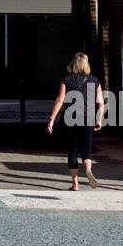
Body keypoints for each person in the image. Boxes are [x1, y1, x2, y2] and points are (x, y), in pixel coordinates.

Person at [47, 53, 104, 190]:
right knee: (86, 150)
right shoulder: (95, 81)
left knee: (72, 150)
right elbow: (101, 103)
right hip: (88, 120)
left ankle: (75, 184)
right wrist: (99, 120)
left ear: (73, 64)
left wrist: (52, 119)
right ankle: (89, 170)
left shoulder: (67, 79)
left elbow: (60, 100)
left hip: (70, 119)